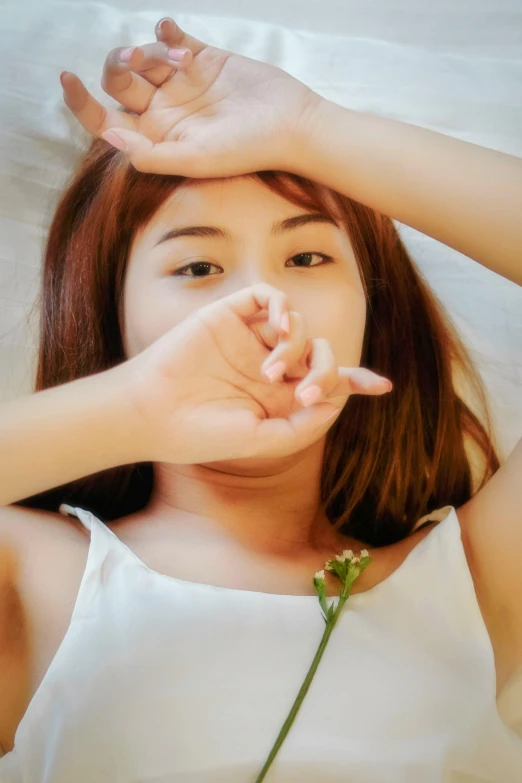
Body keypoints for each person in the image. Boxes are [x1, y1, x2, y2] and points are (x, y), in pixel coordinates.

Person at [0, 14, 521, 782]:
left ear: (374, 313)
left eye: (307, 255)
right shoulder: (36, 578)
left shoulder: (476, 585)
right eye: (198, 268)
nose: (261, 299)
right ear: (115, 322)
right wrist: (131, 409)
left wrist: (311, 131)